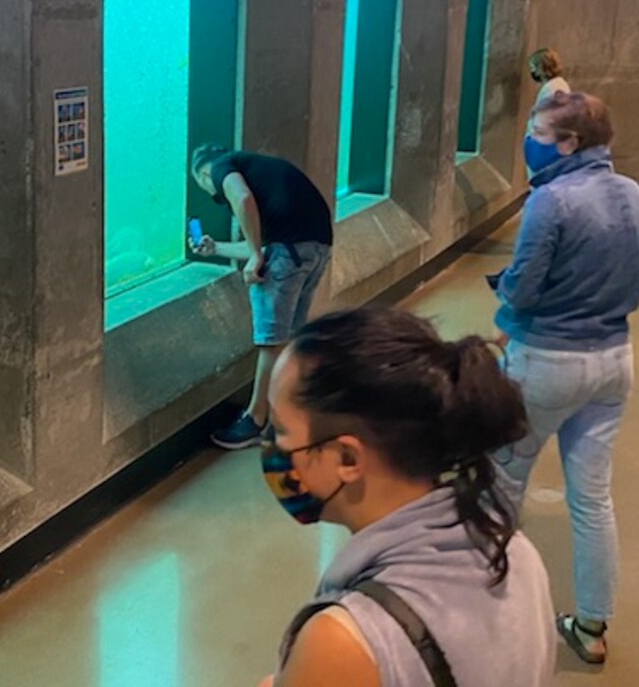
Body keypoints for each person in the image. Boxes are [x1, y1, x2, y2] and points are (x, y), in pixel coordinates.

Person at [259, 307, 555, 687]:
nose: (271, 446)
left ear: (347, 458)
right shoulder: (512, 549)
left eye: (280, 430)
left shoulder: (344, 641)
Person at [490, 92, 639, 665]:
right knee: (593, 499)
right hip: (614, 362)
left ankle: (493, 615)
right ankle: (591, 625)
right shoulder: (634, 193)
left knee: (502, 486)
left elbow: (524, 289)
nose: (528, 141)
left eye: (536, 131)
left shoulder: (550, 200)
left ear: (568, 142)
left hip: (547, 364)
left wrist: (503, 291)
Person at [190, 145, 333, 449]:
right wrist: (217, 248)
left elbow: (242, 200)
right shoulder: (261, 168)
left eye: (203, 187)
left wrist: (255, 256)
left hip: (292, 251)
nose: (211, 193)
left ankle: (255, 420)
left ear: (201, 174)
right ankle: (293, 411)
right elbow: (273, 244)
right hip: (315, 248)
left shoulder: (218, 168)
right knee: (289, 338)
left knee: (271, 340)